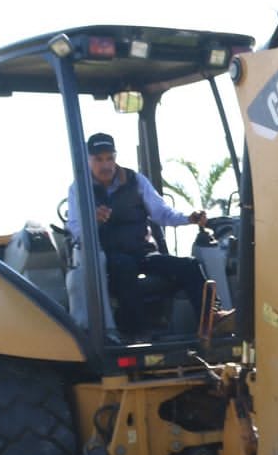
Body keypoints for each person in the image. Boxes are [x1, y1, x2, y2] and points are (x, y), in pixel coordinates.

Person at [67, 132, 216, 340]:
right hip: (107, 258)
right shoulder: (79, 190)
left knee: (189, 266)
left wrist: (188, 218)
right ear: (88, 160)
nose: (105, 164)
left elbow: (162, 213)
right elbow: (74, 228)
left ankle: (212, 321)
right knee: (123, 266)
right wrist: (92, 220)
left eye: (109, 158)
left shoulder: (136, 181)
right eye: (98, 159)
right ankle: (137, 332)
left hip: (143, 253)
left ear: (115, 157)